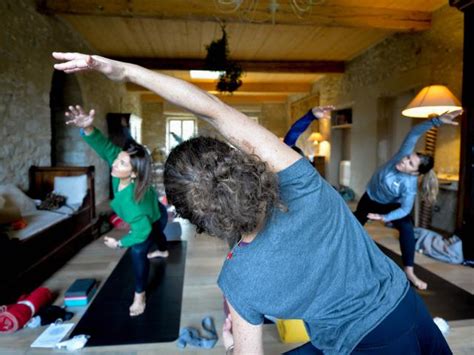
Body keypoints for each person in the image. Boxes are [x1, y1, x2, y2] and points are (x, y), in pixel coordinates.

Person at [53, 52, 452, 354]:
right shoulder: (300, 180)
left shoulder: (237, 280)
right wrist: (120, 70)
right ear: (239, 161)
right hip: (407, 308)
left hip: (358, 344)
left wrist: (231, 338)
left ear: (196, 220)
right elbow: (212, 109)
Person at [64, 105, 169, 316]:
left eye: (122, 163)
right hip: (153, 212)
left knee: (139, 249)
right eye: (119, 158)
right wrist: (89, 128)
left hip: (155, 216)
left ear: (133, 175)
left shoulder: (133, 203)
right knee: (156, 234)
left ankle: (140, 295)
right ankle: (162, 250)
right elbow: (104, 147)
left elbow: (141, 232)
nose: (115, 164)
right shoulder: (121, 168)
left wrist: (119, 243)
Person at [354, 112, 461, 290]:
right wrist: (437, 121)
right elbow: (414, 134)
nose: (404, 161)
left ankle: (409, 271)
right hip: (370, 198)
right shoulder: (401, 156)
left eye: (409, 164)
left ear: (415, 173)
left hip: (390, 205)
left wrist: (385, 217)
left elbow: (404, 209)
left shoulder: (409, 186)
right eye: (408, 158)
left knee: (406, 228)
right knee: (355, 222)